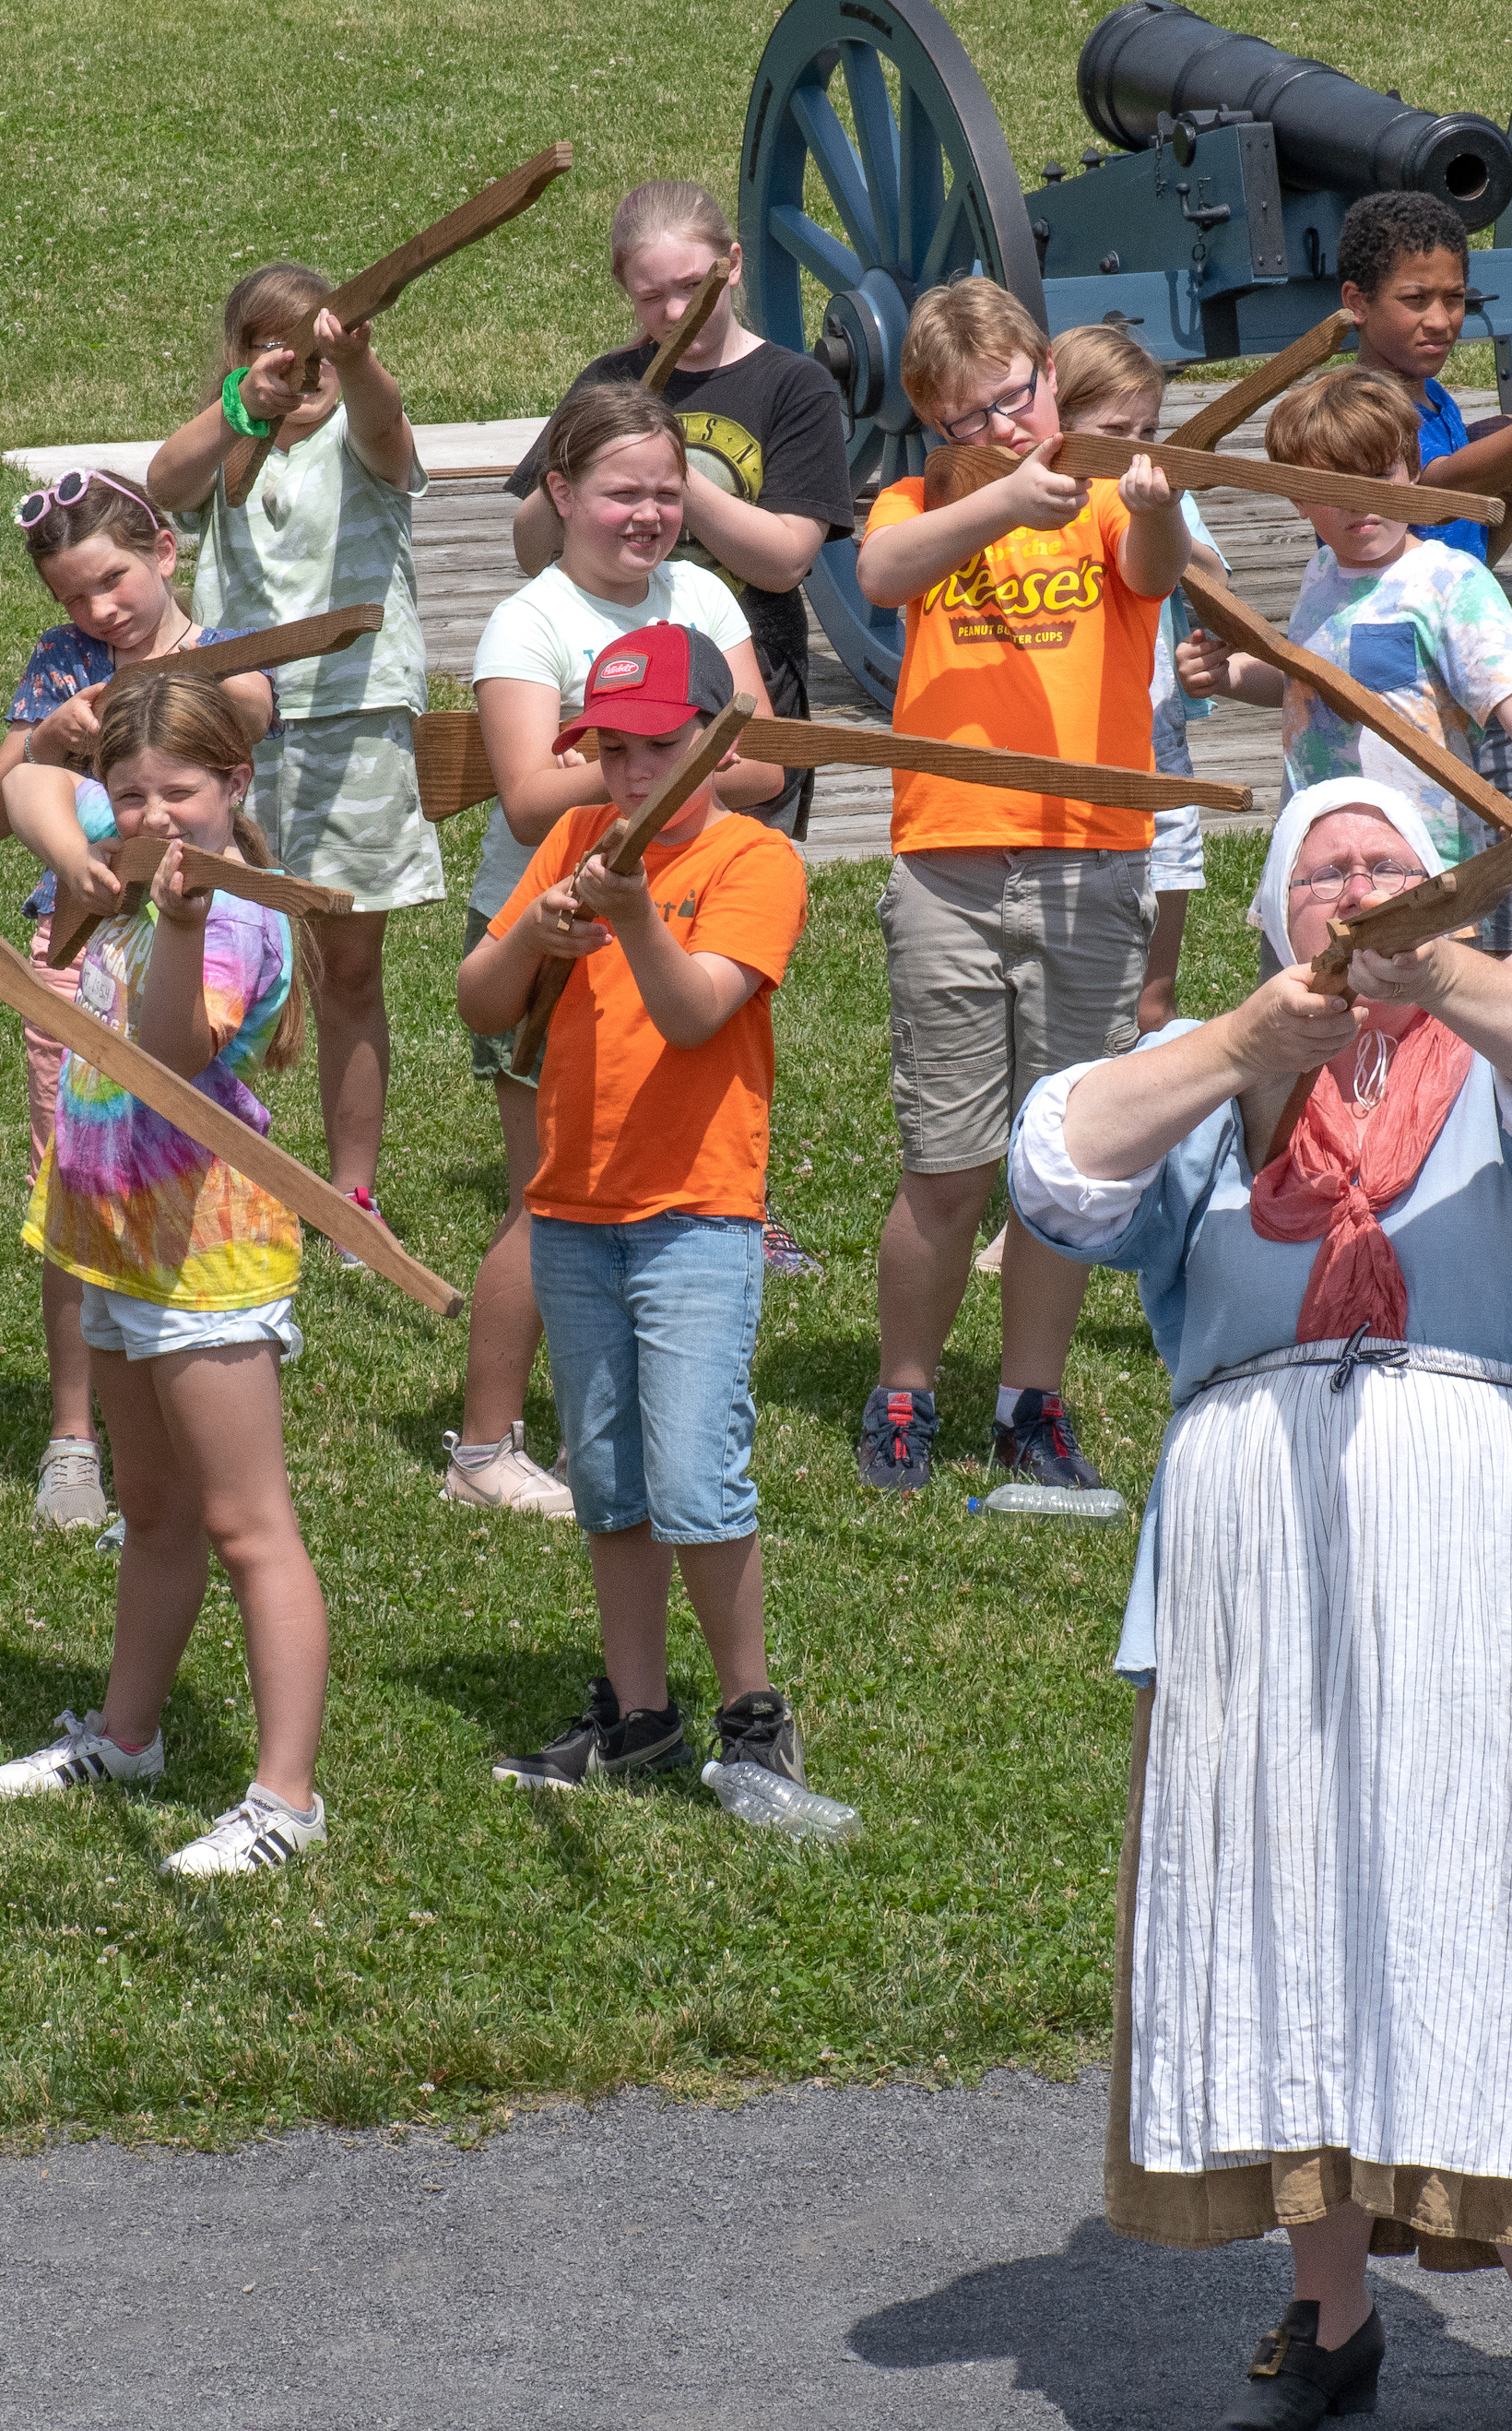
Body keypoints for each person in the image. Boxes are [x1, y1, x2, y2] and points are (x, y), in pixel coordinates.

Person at [1012, 775, 1512, 2431]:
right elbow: (1054, 1165)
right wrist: (1247, 1040)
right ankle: (1331, 2313)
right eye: (1320, 868)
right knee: (1285, 1919)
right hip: (1259, 1582)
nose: (1352, 883)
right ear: (1270, 918)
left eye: (1386, 862)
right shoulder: (1218, 1083)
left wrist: (1436, 971)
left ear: (1448, 891)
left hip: (1483, 1562)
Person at [0, 678, 338, 1878]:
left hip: (205, 1257)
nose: (152, 816)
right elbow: (22, 786)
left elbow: (175, 1058)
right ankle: (127, 1737)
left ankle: (286, 1798)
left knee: (245, 1524)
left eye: (178, 791)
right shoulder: (124, 856)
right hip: (115, 1240)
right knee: (157, 1510)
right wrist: (76, 837)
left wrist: (172, 924)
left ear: (235, 784)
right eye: (130, 796)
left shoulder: (232, 916)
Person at [448, 629, 811, 1790]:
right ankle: (638, 1712)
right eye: (608, 749)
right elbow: (478, 1001)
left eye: (655, 745)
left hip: (695, 1213)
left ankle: (753, 1715)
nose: (630, 771)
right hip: (571, 1209)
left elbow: (696, 1012)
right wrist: (535, 933)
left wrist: (636, 912)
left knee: (696, 1476)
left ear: (717, 743)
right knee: (608, 1480)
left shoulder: (756, 859)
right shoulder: (571, 838)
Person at [851, 279, 1192, 1497]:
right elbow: (880, 572)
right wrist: (998, 495)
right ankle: (904, 1389)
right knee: (946, 1163)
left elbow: (1151, 570)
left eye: (1016, 396)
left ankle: (1027, 1401)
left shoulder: (1101, 495)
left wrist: (1154, 503)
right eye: (971, 415)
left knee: (1064, 1156)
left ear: (1050, 375)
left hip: (1088, 857)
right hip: (948, 859)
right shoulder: (922, 499)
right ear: (932, 424)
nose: (1004, 424)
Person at [455, 386, 785, 1518]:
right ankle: (483, 1444)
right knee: (545, 1195)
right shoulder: (530, 620)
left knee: (649, 1185)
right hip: (545, 927)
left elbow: (766, 759)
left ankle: (615, 1427)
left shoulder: (700, 591)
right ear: (559, 492)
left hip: (683, 911)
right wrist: (659, 763)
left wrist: (624, 764)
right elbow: (521, 799)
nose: (647, 514)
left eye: (666, 491)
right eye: (619, 492)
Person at [0, 468, 278, 1533]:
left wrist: (151, 692)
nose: (98, 610)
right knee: (72, 1175)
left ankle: (181, 1378)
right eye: (72, 596)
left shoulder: (223, 650)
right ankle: (75, 1434)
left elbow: (248, 708)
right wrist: (52, 739)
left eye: (111, 580)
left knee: (177, 1167)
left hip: (193, 951)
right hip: (77, 951)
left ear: (162, 550)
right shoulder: (59, 664)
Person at [148, 260, 431, 1248]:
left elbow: (387, 427)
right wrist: (240, 408)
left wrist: (358, 363)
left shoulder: (359, 431)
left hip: (354, 718)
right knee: (218, 949)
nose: (297, 371)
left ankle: (351, 1191)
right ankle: (201, 1159)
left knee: (346, 967)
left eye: (312, 351)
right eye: (271, 351)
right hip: (235, 729)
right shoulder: (229, 446)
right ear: (237, 360)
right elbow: (162, 484)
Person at [503, 180, 856, 834]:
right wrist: (580, 468)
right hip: (616, 703)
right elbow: (532, 551)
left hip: (746, 694)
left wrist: (667, 471)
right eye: (650, 296)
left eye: (693, 287)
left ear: (733, 264)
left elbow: (784, 561)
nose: (672, 312)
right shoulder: (608, 381)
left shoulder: (792, 385)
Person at [1175, 368, 1512, 889]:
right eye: (1335, 486)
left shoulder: (1448, 582)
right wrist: (1228, 674)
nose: (1362, 500)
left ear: (1413, 470)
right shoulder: (1321, 574)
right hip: (1318, 861)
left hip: (1421, 864)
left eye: (1379, 476)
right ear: (1297, 497)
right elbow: (1308, 683)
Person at [1053, 326, 1221, 1040]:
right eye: (1114, 431)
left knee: (1152, 1002)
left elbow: (1215, 580)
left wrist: (1161, 518)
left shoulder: (1157, 493)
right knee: (1068, 989)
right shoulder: (1044, 505)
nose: (1135, 449)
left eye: (1148, 431)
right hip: (1069, 760)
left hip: (1157, 747)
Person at [1325, 187, 1512, 570]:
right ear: (1357, 302)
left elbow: (1476, 560)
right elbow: (1436, 496)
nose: (1440, 321)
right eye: (1415, 299)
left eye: (1455, 299)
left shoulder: (1436, 401)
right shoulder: (1355, 412)